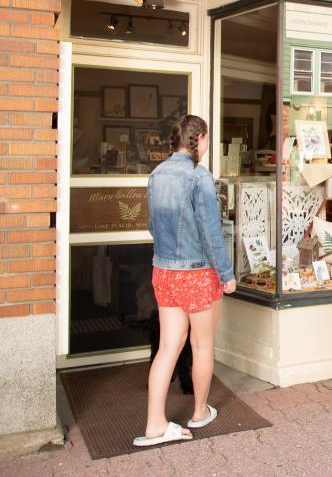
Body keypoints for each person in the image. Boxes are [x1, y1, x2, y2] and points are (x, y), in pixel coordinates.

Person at [134, 115, 237, 447]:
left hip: (164, 271)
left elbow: (153, 226)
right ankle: (199, 412)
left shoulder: (156, 174)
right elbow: (211, 235)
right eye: (207, 140)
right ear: (201, 139)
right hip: (197, 273)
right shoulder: (199, 177)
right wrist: (227, 274)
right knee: (202, 345)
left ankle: (155, 424)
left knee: (167, 348)